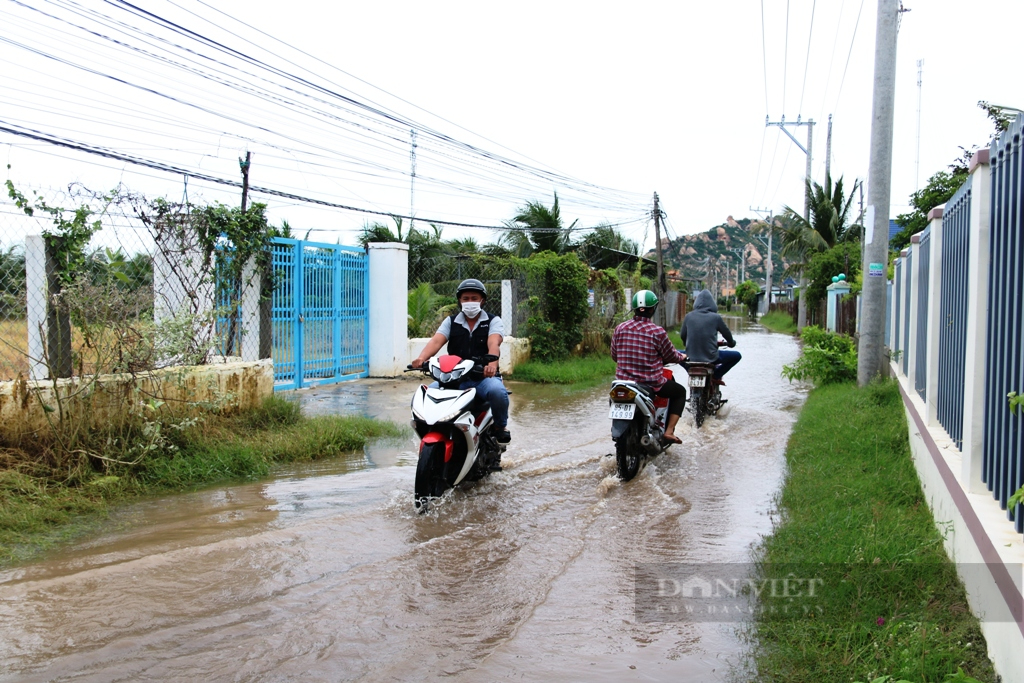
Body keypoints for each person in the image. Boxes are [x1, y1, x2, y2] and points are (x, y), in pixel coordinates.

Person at [411, 278, 511, 444]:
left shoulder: (493, 321)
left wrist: (492, 364)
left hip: (482, 378)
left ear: (482, 300)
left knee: (497, 392)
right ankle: (430, 429)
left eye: (474, 298)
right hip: (453, 378)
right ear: (459, 300)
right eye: (465, 299)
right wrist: (422, 358)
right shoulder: (451, 321)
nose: (469, 302)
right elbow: (436, 341)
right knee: (423, 396)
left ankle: (500, 427)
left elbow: (494, 343)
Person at [610, 290, 689, 444]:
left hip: (623, 384)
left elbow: (615, 356)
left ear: (633, 308)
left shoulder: (619, 328)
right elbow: (671, 356)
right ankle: (669, 431)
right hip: (650, 383)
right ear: (653, 309)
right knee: (680, 392)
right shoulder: (657, 332)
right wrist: (682, 357)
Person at [679, 290, 740, 382]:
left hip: (691, 358)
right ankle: (716, 375)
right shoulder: (716, 317)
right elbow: (726, 333)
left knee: (675, 353)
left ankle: (690, 370)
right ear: (712, 304)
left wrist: (686, 344)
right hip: (711, 358)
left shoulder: (688, 316)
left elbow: (683, 335)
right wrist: (731, 343)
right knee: (737, 356)